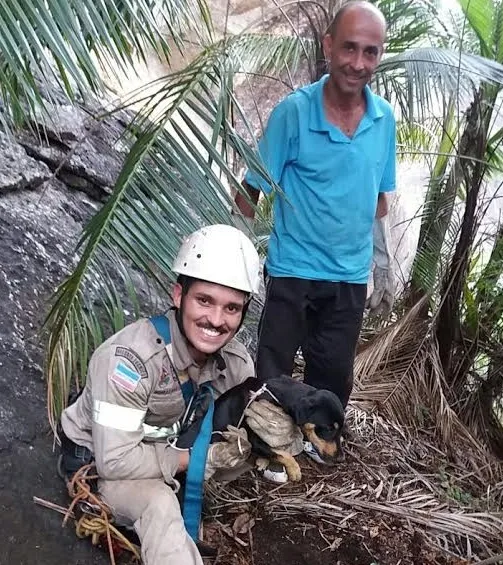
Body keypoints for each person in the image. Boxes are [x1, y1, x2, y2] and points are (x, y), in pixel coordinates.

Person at [234, 1, 396, 448]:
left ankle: (318, 444)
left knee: (333, 378)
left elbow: (379, 197)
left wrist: (383, 262)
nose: (358, 63)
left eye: (370, 52)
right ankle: (268, 446)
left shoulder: (384, 121)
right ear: (328, 46)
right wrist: (237, 260)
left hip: (348, 278)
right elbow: (251, 189)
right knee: (273, 371)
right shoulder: (294, 113)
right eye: (349, 48)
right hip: (293, 271)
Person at [58, 224, 264, 565]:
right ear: (178, 296)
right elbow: (116, 462)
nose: (216, 320)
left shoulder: (237, 365)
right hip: (103, 461)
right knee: (159, 503)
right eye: (204, 300)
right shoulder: (131, 361)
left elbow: (235, 431)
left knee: (241, 451)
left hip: (162, 448)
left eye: (231, 308)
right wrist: (196, 461)